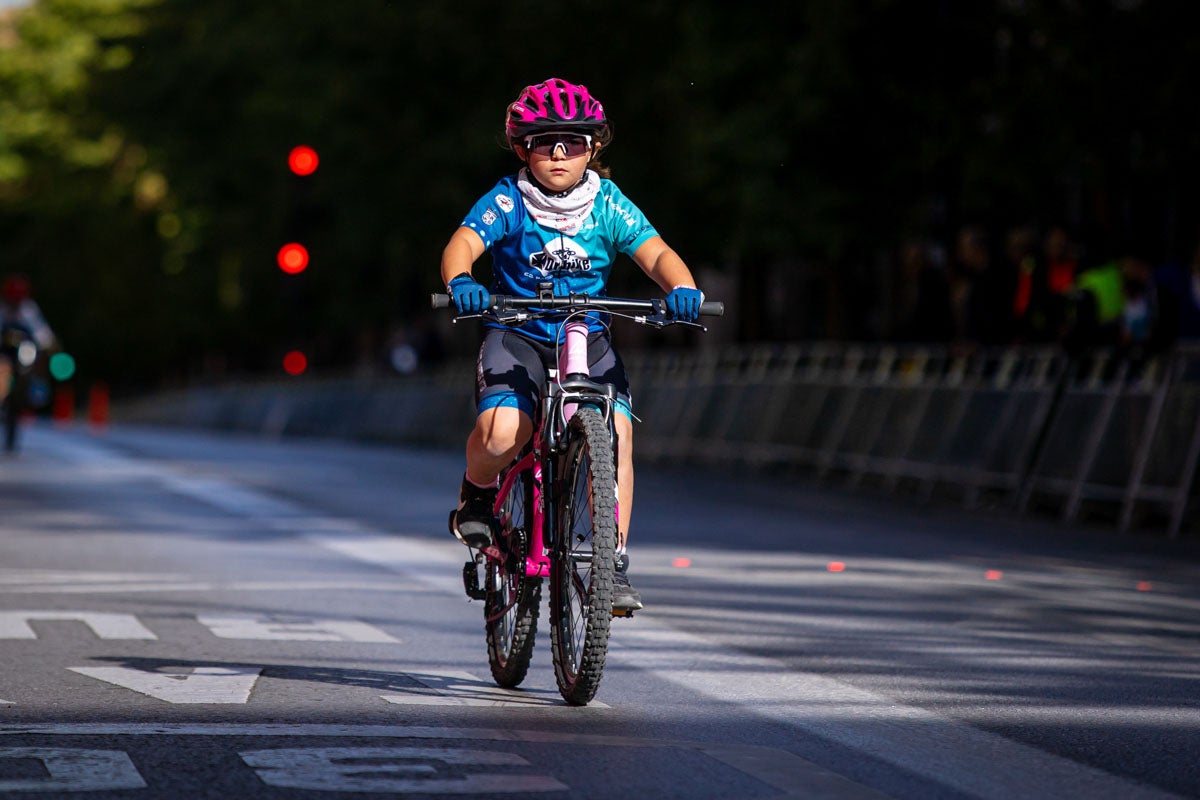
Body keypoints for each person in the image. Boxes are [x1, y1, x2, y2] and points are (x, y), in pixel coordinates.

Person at [439, 78, 705, 613]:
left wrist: (683, 289)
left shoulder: (607, 203)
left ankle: (612, 563)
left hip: (587, 336)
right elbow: (462, 244)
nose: (559, 153)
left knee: (617, 436)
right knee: (500, 435)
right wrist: (461, 280)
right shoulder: (510, 199)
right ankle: (477, 494)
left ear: (594, 147)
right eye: (544, 142)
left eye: (575, 141)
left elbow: (656, 254)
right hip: (518, 334)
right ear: (522, 148)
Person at [0, 273, 56, 408]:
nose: (15, 303)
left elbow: (41, 330)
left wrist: (49, 344)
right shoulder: (2, 310)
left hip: (24, 350)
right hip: (4, 351)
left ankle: (34, 390)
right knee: (3, 367)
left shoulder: (28, 309)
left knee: (38, 361)